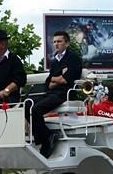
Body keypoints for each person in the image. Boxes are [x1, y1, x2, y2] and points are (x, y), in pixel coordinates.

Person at [25, 30, 82, 158]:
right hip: (52, 93)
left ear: (67, 43)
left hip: (65, 94)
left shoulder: (73, 59)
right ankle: (47, 136)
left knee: (36, 110)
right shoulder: (55, 61)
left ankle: (46, 141)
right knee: (27, 105)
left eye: (59, 41)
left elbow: (65, 80)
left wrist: (56, 79)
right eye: (54, 42)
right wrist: (58, 78)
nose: (56, 44)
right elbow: (49, 83)